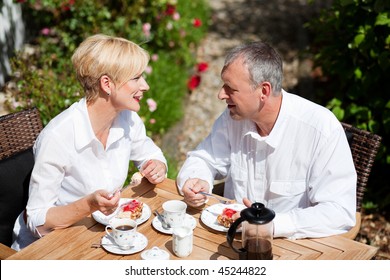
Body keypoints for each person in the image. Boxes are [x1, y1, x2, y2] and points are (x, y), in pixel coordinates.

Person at [177, 41, 357, 239]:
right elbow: (203, 159)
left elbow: (339, 212)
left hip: (292, 248)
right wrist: (196, 179)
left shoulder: (320, 129)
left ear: (263, 91)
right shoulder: (232, 119)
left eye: (230, 89)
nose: (221, 94)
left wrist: (271, 225)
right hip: (229, 238)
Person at [12, 34, 167, 250]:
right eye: (136, 78)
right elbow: (37, 222)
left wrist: (156, 166)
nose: (145, 85)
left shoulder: (126, 118)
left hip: (102, 236)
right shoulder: (58, 136)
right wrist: (88, 205)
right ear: (107, 84)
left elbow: (150, 154)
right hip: (50, 248)